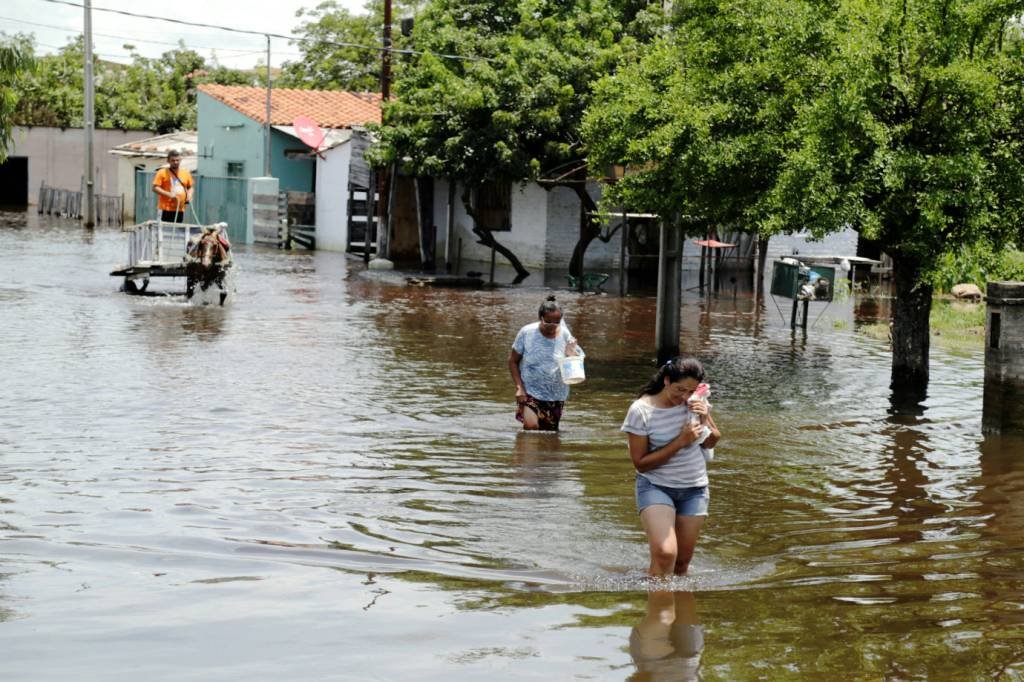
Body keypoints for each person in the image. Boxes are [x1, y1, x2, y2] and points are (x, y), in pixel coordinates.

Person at [621, 356, 720, 576]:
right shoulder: (640, 411)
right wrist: (680, 442)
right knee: (666, 553)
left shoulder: (696, 403)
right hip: (656, 486)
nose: (684, 397)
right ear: (666, 381)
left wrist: (705, 418)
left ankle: (675, 602)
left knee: (681, 564)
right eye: (679, 390)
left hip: (694, 488)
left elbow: (712, 440)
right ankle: (659, 605)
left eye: (690, 391)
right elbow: (641, 464)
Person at [508, 295, 582, 431]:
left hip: (556, 394)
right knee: (531, 426)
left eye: (557, 322)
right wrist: (519, 387)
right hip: (530, 391)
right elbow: (513, 361)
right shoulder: (527, 332)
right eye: (548, 322)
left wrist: (571, 352)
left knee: (549, 434)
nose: (553, 326)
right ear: (540, 318)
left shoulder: (565, 335)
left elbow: (575, 367)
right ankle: (523, 451)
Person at [152, 149, 194, 223]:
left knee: (177, 232)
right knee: (163, 231)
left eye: (177, 160)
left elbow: (190, 187)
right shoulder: (162, 172)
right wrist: (169, 194)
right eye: (173, 160)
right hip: (165, 209)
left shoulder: (185, 173)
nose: (175, 162)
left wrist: (189, 195)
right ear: (168, 161)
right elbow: (155, 188)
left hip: (180, 209)